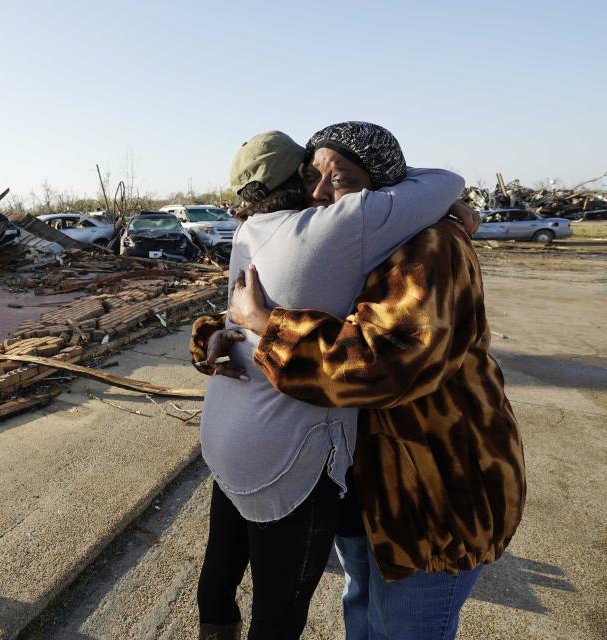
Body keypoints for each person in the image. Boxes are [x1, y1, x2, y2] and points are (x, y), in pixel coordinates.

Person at [193, 122, 525, 640]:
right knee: (363, 615)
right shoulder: (340, 230)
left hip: (432, 492)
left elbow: (383, 366)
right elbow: (310, 301)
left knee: (402, 628)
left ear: (383, 186)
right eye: (311, 176)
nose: (320, 195)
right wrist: (222, 336)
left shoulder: (432, 246)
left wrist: (266, 327)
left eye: (341, 181)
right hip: (365, 485)